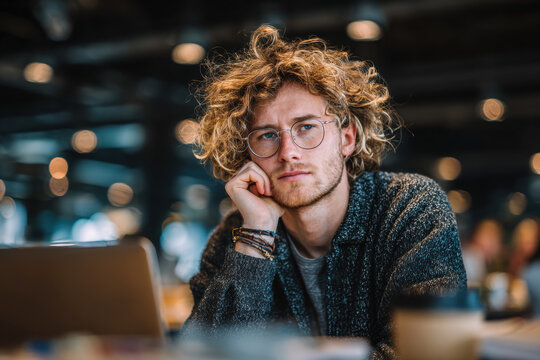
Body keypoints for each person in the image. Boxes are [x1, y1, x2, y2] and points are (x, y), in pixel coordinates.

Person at [183, 25, 466, 359]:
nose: (288, 151)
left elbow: (431, 354)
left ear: (346, 139)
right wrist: (256, 237)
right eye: (267, 135)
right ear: (248, 157)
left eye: (306, 128)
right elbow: (203, 355)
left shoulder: (409, 209)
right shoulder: (236, 236)